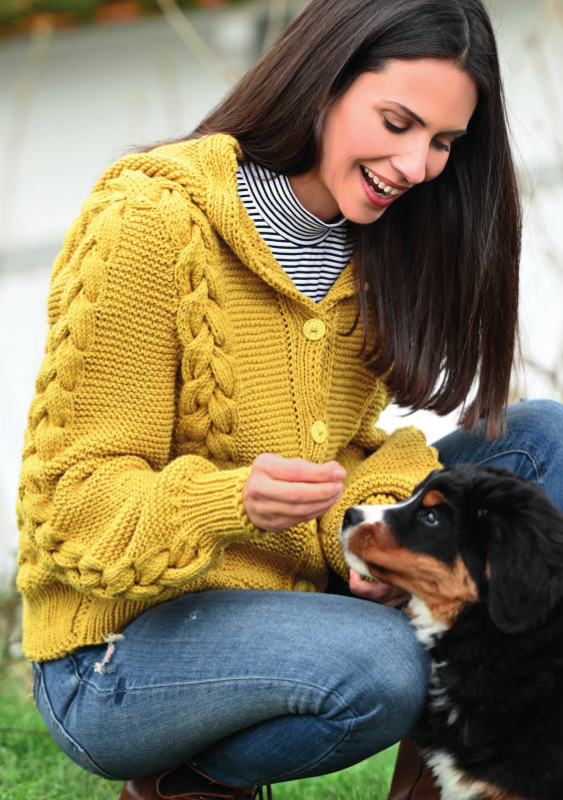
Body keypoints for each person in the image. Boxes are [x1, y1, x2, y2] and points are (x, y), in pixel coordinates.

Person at [15, 0, 563, 798]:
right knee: (379, 668)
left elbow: (345, 447)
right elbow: (68, 507)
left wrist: (375, 524)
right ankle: (185, 781)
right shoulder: (147, 223)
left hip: (290, 590)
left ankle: (461, 774)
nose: (416, 167)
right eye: (397, 121)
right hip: (118, 655)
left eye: (443, 142)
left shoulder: (374, 231)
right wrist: (226, 500)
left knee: (542, 440)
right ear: (323, 82)